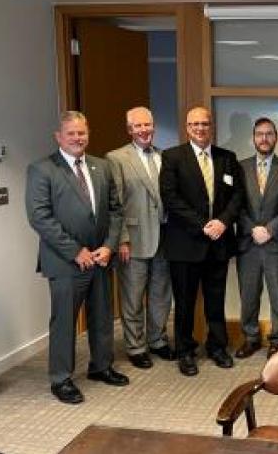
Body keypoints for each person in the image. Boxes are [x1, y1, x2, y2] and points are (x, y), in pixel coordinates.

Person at [26, 111, 128, 404]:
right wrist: (75, 251)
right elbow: (40, 218)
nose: (77, 138)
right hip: (64, 261)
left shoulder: (101, 167)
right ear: (58, 136)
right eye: (71, 133)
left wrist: (109, 246)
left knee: (102, 316)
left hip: (100, 257)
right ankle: (61, 379)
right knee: (64, 322)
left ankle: (101, 366)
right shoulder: (42, 169)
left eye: (82, 133)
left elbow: (115, 210)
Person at [159, 106, 244, 376]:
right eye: (194, 124)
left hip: (218, 242)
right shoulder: (172, 157)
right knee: (184, 303)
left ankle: (217, 347)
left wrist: (222, 222)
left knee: (215, 300)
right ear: (187, 127)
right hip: (185, 243)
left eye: (205, 124)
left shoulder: (227, 158)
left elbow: (237, 196)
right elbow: (171, 198)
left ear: (212, 126)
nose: (200, 128)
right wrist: (202, 225)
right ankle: (185, 351)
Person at [106, 107, 174, 370]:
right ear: (129, 130)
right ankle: (136, 346)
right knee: (133, 297)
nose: (144, 130)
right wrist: (121, 239)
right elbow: (115, 202)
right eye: (138, 126)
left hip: (164, 238)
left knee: (160, 295)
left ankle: (157, 340)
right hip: (133, 240)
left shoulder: (163, 156)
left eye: (148, 125)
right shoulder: (116, 158)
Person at [235, 117, 278, 359]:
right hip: (248, 244)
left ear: (276, 138)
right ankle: (251, 338)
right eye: (260, 134)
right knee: (248, 295)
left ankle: (277, 340)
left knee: (277, 295)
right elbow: (234, 204)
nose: (264, 138)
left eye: (269, 134)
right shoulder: (240, 167)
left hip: (277, 242)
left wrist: (270, 229)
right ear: (253, 138)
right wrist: (252, 229)